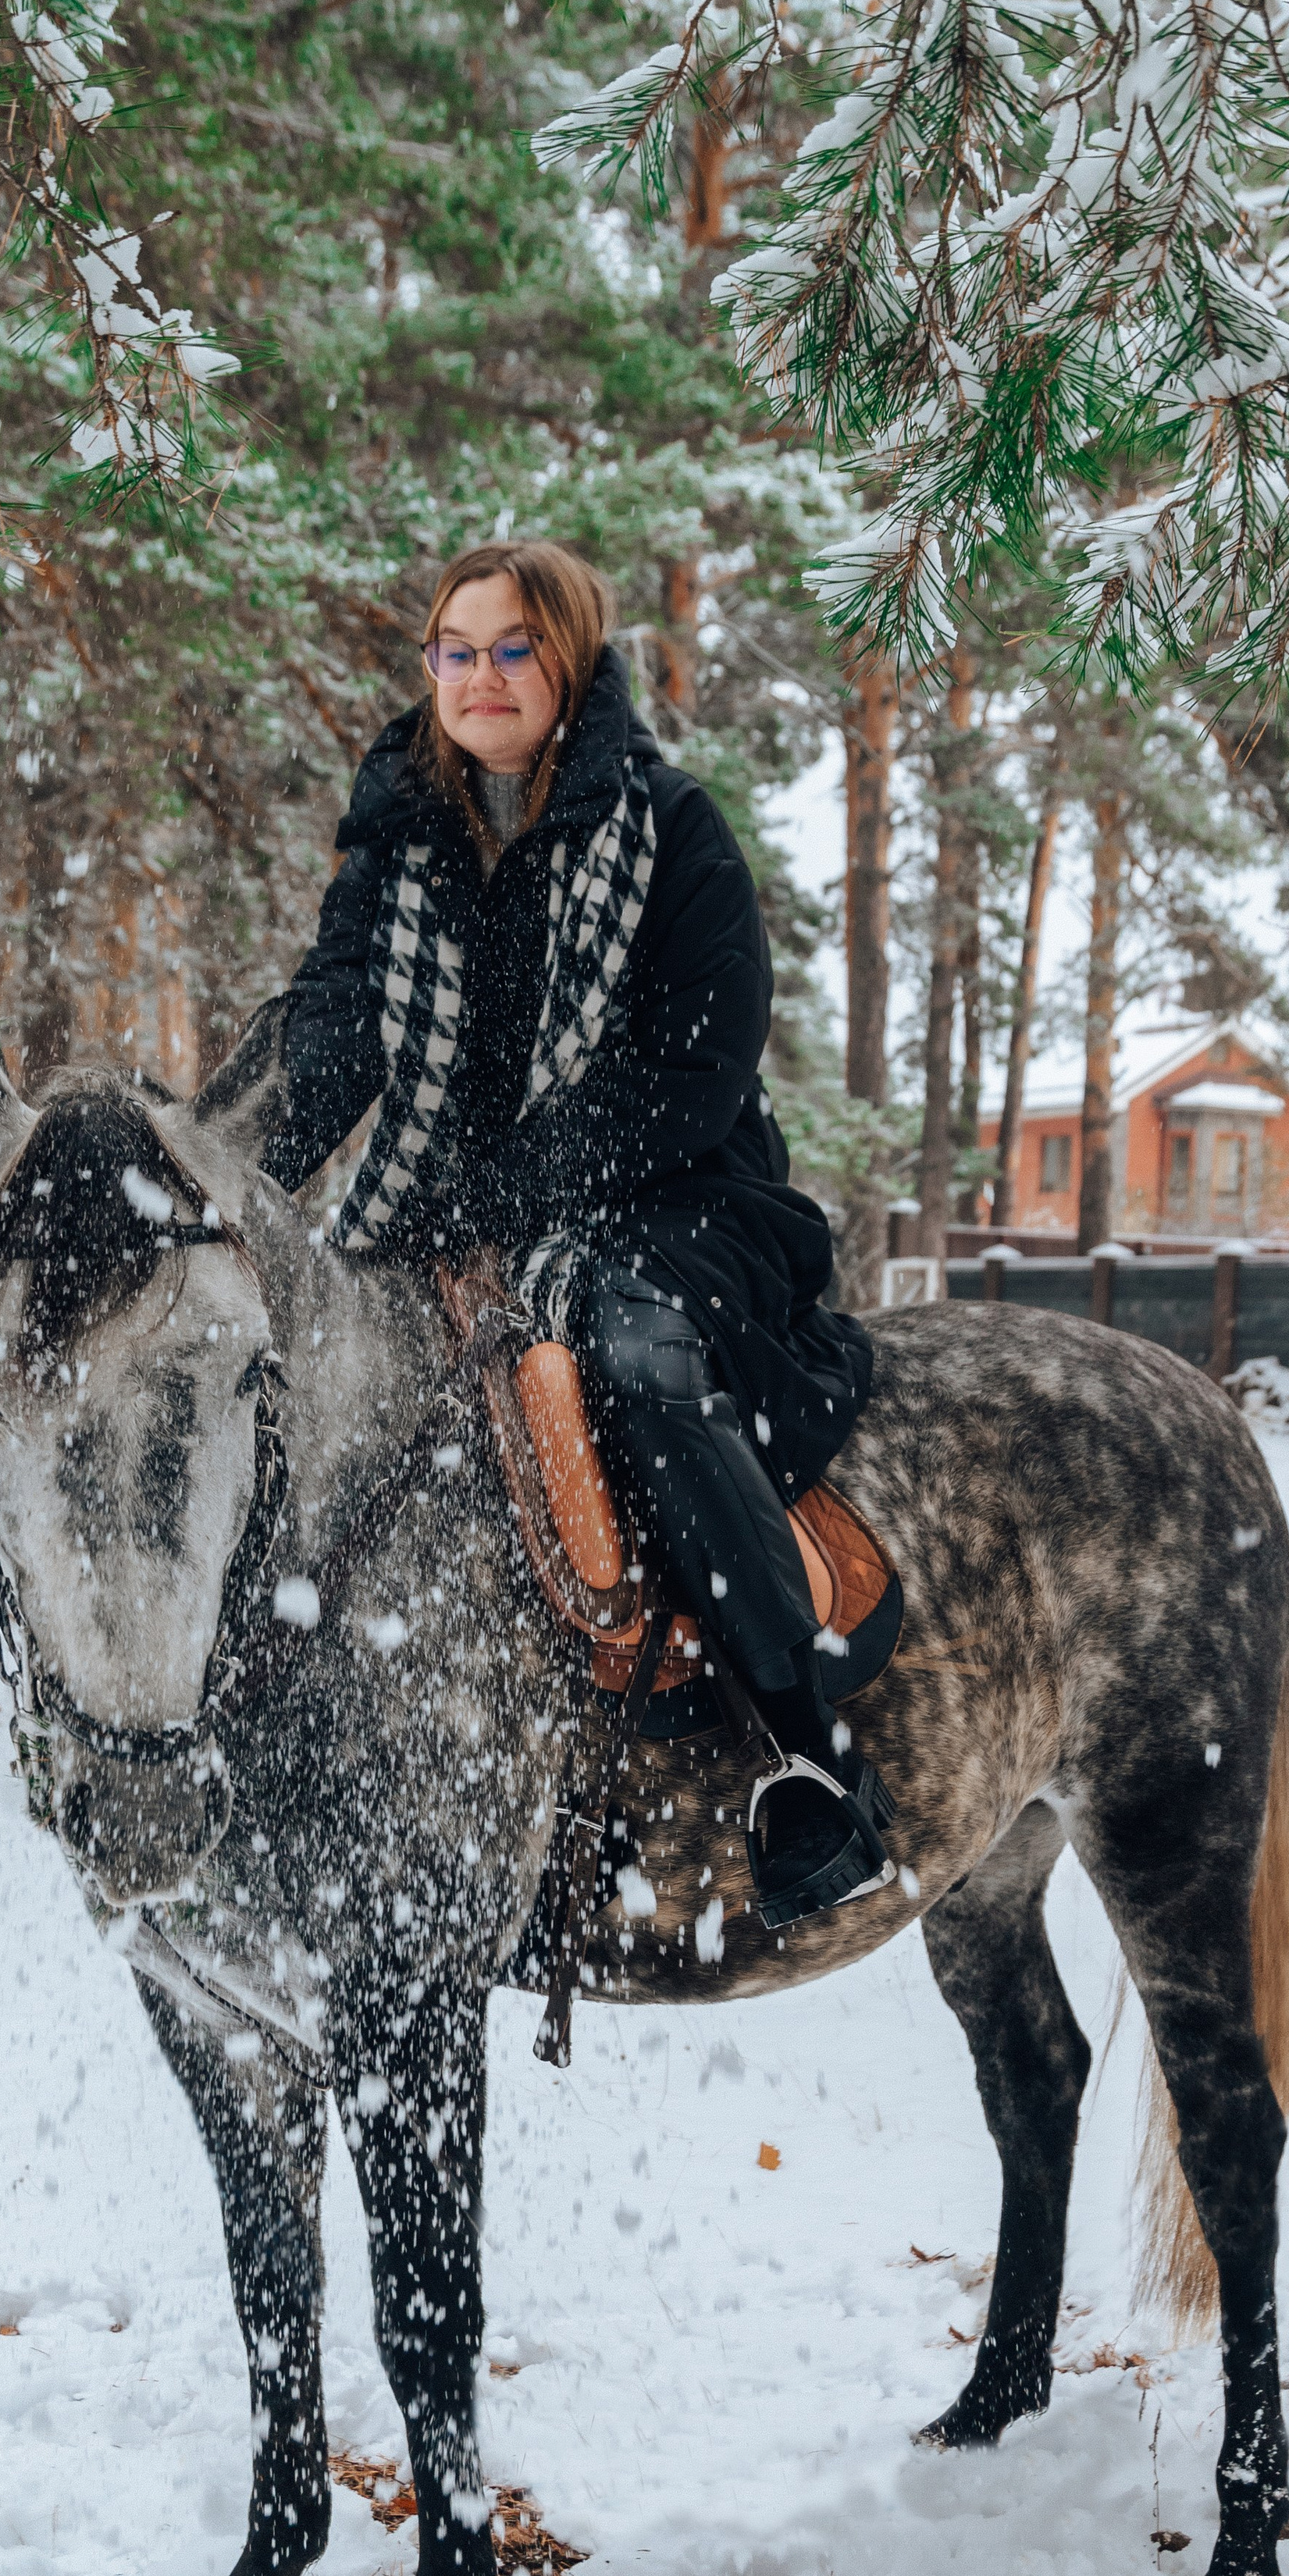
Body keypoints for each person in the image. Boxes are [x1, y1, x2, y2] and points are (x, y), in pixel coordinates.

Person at [262, 540, 880, 1914]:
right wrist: (226, 1168)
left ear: (573, 660)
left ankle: (807, 1758)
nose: (479, 676)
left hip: (677, 1201)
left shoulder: (670, 829)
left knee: (622, 1353)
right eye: (454, 650)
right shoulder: (398, 836)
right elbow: (333, 1029)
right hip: (443, 1214)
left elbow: (693, 1074)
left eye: (512, 648)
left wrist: (514, 1189)